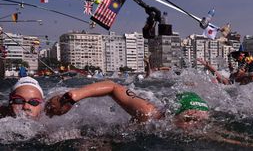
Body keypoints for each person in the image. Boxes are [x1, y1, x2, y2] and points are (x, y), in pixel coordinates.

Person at [0, 76, 209, 129]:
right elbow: (112, 86)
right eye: (19, 101)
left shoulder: (49, 110)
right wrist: (73, 97)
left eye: (33, 102)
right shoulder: (150, 113)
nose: (26, 107)